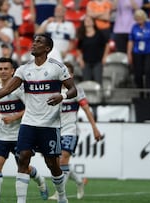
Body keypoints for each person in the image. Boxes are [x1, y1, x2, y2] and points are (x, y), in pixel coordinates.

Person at [0, 33, 77, 203]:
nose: (33, 43)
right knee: (23, 158)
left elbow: (73, 90)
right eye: (33, 40)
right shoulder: (24, 69)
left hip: (49, 124)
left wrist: (62, 95)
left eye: (39, 42)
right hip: (29, 123)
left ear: (47, 48)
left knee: (52, 164)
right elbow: (5, 90)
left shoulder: (57, 67)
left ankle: (62, 196)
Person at [0, 57, 48, 203]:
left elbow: (31, 108)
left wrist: (14, 117)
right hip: (3, 136)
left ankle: (40, 180)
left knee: (24, 168)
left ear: (13, 71)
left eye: (6, 69)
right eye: (0, 69)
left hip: (20, 136)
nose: (2, 72)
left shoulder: (19, 90)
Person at [48, 62, 102, 201]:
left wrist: (95, 128)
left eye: (68, 73)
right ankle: (79, 181)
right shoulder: (52, 91)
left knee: (63, 159)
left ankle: (60, 193)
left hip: (70, 130)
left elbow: (87, 110)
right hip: (55, 131)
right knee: (59, 164)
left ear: (71, 75)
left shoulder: (76, 91)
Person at [127, 9, 150, 98]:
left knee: (148, 71)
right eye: (137, 18)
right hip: (137, 52)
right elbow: (130, 41)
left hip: (149, 51)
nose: (139, 19)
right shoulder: (134, 27)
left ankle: (148, 92)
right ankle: (141, 91)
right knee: (138, 73)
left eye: (140, 17)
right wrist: (129, 53)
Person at [76, 15, 109, 85]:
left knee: (98, 82)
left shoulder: (99, 34)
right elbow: (78, 49)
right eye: (86, 20)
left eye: (89, 20)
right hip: (86, 62)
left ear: (93, 22)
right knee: (86, 82)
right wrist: (81, 60)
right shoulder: (82, 35)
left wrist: (105, 57)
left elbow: (107, 45)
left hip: (98, 62)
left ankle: (99, 96)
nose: (87, 22)